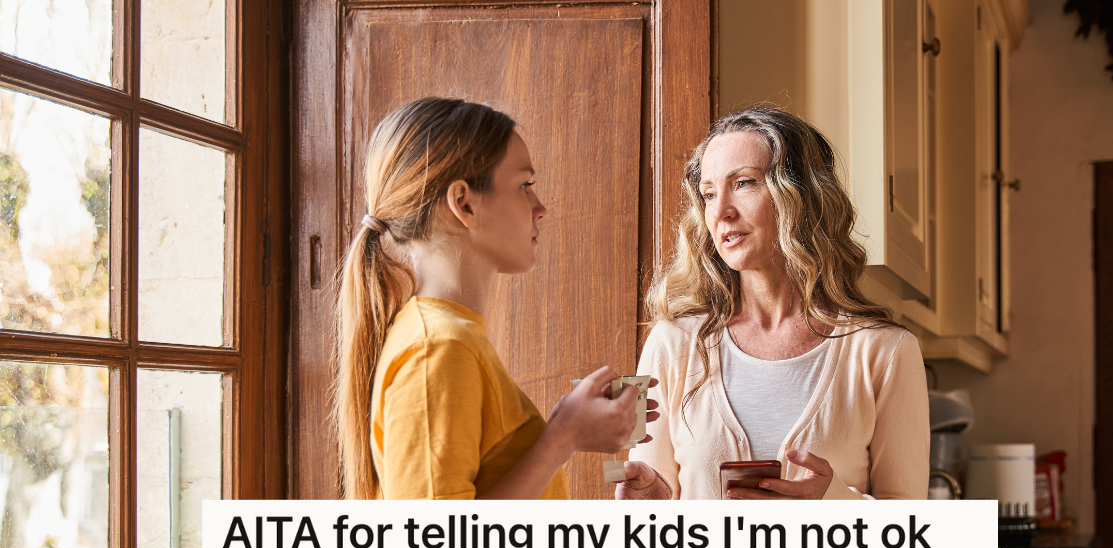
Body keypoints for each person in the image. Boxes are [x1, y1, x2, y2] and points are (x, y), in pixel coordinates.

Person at [334, 97, 656, 500]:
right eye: (524, 185)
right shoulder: (439, 350)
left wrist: (569, 426)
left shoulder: (452, 338)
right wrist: (562, 437)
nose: (541, 207)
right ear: (464, 203)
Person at [616, 106, 929, 501]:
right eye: (709, 194)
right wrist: (648, 508)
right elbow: (642, 509)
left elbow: (912, 529)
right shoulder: (670, 342)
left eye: (744, 183)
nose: (721, 211)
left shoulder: (888, 352)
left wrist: (830, 506)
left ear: (803, 197)